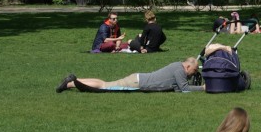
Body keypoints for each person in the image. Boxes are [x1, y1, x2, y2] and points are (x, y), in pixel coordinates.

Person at [56, 56, 204, 93]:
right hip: (137, 83)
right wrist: (203, 88)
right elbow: (184, 88)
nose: (193, 73)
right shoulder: (179, 69)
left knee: (105, 83)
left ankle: (72, 81)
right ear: (188, 65)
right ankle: (73, 82)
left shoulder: (176, 66)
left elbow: (178, 89)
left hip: (138, 79)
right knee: (104, 86)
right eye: (194, 70)